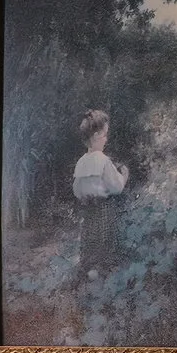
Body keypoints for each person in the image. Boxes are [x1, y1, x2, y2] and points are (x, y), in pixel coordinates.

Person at [71, 109, 127, 276]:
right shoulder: (103, 160)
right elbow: (116, 187)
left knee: (90, 241)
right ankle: (104, 275)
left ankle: (88, 272)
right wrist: (124, 175)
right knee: (105, 241)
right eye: (104, 135)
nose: (106, 139)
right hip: (104, 209)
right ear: (96, 136)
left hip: (88, 210)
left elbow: (76, 190)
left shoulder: (81, 162)